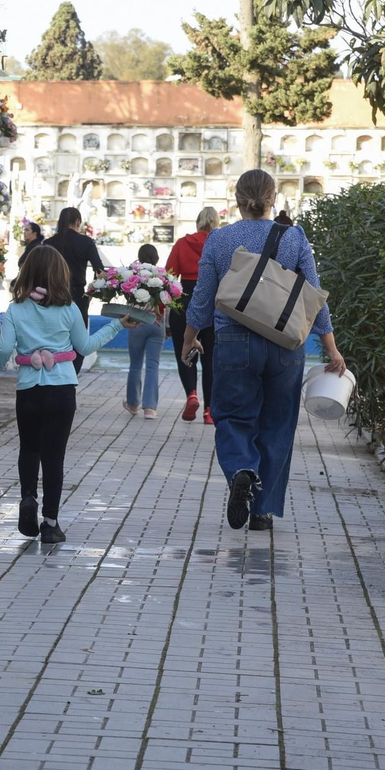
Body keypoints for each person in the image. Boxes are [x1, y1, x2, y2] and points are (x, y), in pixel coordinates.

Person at [182, 170, 347, 532]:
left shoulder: (219, 239)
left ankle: (242, 467)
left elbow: (203, 298)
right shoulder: (294, 238)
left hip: (233, 341)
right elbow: (314, 298)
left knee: (233, 417)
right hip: (285, 345)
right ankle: (262, 511)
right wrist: (331, 347)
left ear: (237, 198)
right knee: (278, 425)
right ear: (273, 198)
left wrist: (189, 338)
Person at [0, 245, 138, 543]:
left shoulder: (16, 309)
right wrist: (116, 326)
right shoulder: (70, 309)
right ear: (60, 275)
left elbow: (4, 349)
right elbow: (84, 347)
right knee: (54, 457)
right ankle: (50, 523)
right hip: (61, 391)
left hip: (28, 391)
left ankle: (28, 497)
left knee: (29, 449)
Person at [166, 207, 219, 424]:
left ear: (197, 222)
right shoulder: (219, 244)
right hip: (214, 305)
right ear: (216, 223)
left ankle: (192, 394)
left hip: (185, 304)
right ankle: (209, 411)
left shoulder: (181, 243)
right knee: (211, 359)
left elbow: (169, 277)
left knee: (185, 352)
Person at [46, 207, 107, 374]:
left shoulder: (49, 243)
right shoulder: (86, 242)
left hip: (51, 295)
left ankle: (53, 372)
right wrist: (91, 294)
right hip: (77, 295)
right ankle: (72, 374)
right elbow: (100, 272)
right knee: (78, 341)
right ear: (78, 222)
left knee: (53, 336)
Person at [123, 243, 166, 419]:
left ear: (139, 257)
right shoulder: (162, 276)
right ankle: (150, 408)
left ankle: (133, 404)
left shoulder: (133, 275)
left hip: (137, 323)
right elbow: (167, 302)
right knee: (152, 365)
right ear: (156, 257)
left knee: (135, 364)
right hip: (156, 323)